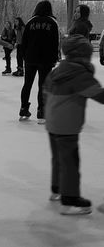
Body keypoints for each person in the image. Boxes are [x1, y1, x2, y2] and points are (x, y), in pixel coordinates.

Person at [44, 31, 104, 215]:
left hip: (52, 122)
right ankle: (69, 199)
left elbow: (44, 92)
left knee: (58, 158)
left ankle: (56, 189)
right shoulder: (79, 74)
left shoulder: (57, 70)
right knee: (70, 161)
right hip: (67, 126)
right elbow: (99, 95)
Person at [18, 0, 59, 122]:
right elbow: (55, 42)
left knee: (27, 84)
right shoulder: (52, 22)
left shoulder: (31, 22)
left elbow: (24, 42)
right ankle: (42, 111)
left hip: (30, 58)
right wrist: (54, 58)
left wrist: (25, 56)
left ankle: (23, 109)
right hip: (46, 59)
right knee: (43, 85)